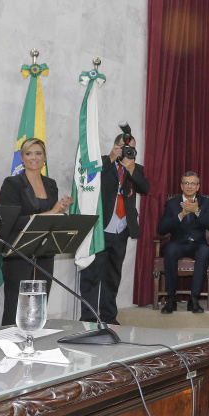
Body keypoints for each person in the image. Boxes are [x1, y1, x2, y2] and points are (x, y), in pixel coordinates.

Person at [0, 138, 73, 325]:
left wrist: (60, 209)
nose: (34, 158)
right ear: (22, 158)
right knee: (16, 304)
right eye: (29, 153)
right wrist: (52, 211)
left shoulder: (51, 184)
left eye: (38, 153)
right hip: (18, 251)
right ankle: (10, 338)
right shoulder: (12, 183)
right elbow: (14, 221)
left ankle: (36, 337)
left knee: (40, 302)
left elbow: (51, 218)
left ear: (45, 157)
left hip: (45, 250)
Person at [78, 133, 150, 325]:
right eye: (124, 147)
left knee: (113, 276)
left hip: (121, 229)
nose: (128, 151)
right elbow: (88, 176)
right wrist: (111, 157)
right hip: (100, 229)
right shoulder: (102, 162)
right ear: (115, 146)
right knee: (92, 275)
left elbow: (145, 188)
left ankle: (109, 317)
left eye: (132, 148)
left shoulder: (136, 168)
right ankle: (88, 318)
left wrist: (131, 168)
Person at [157, 171, 209, 314]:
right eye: (186, 183)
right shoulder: (172, 204)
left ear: (198, 186)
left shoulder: (205, 202)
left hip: (198, 244)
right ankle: (171, 299)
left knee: (204, 251)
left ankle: (194, 299)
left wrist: (197, 211)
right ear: (181, 186)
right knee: (170, 250)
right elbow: (161, 229)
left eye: (193, 183)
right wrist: (180, 215)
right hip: (178, 243)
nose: (189, 186)